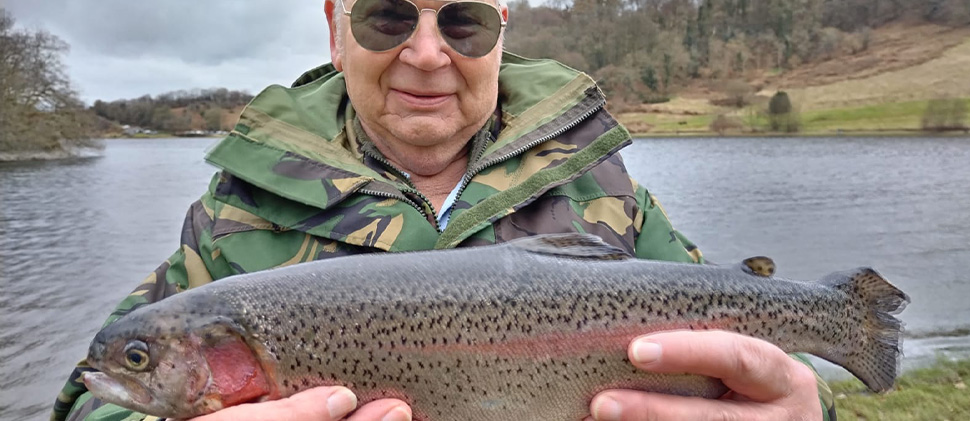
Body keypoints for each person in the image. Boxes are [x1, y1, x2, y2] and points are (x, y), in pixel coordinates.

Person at [53, 0, 836, 419]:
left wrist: (807, 409)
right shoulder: (228, 225)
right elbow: (89, 396)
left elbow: (757, 361)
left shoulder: (614, 197)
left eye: (462, 20)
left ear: (500, 35)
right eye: (388, 17)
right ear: (334, 28)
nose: (427, 53)